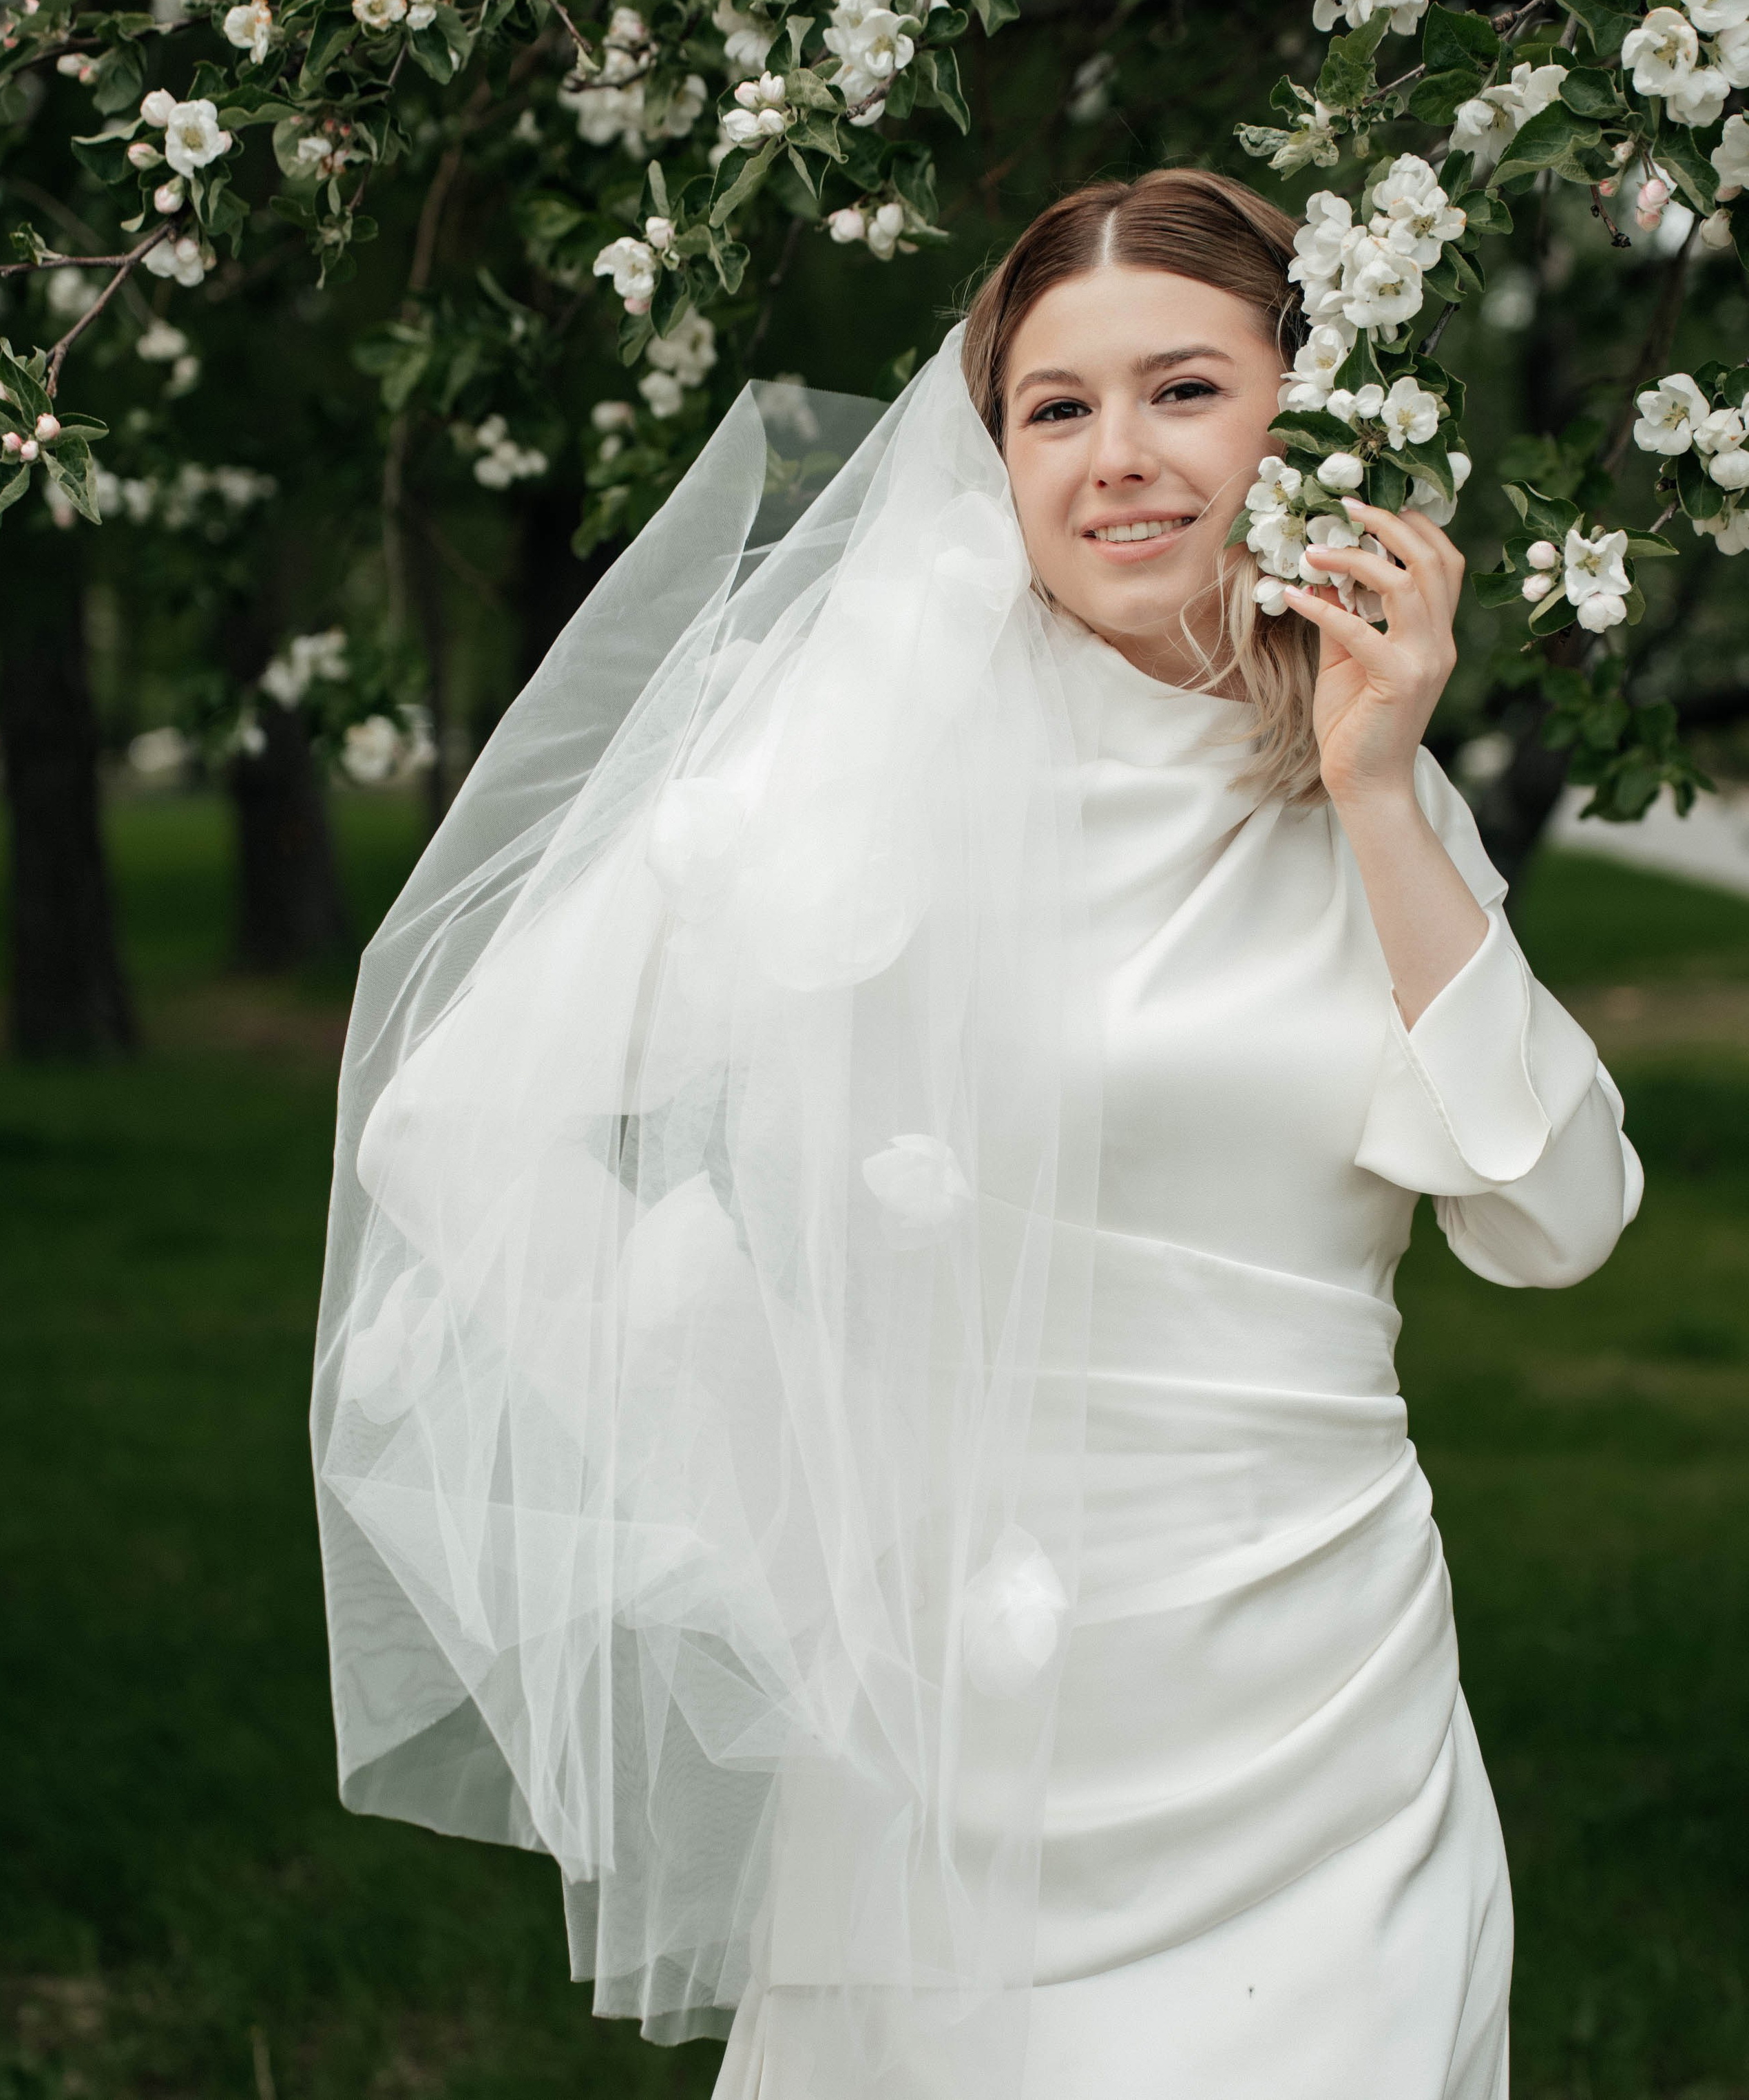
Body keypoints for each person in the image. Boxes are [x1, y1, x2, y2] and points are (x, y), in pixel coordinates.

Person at [311, 168, 1639, 2100]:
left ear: (1305, 416)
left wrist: (1372, 790)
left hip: (1323, 1719)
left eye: (1184, 390)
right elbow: (455, 1124)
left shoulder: (1375, 786)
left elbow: (1561, 1218)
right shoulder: (856, 755)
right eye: (1055, 407)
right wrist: (770, 1452)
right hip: (955, 1734)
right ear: (993, 449)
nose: (1118, 458)